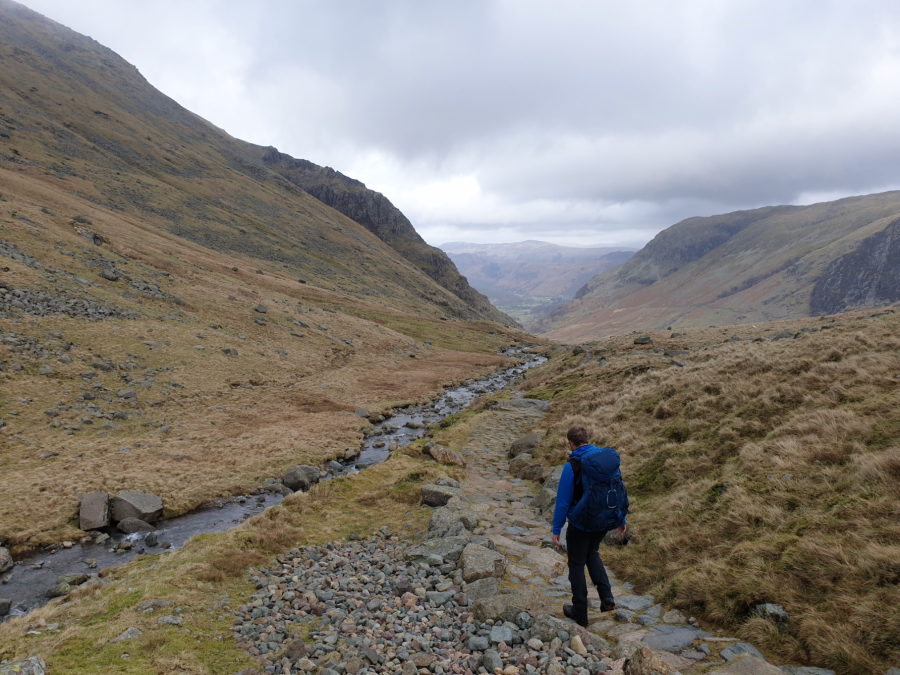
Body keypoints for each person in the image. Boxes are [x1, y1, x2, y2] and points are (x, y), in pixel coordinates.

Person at [551, 425, 628, 627]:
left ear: (570, 443)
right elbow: (617, 490)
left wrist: (556, 530)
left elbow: (563, 502)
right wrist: (621, 520)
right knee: (592, 553)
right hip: (604, 520)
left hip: (581, 522)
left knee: (576, 564)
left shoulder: (573, 465)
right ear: (587, 439)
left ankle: (580, 613)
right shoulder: (605, 461)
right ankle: (607, 598)